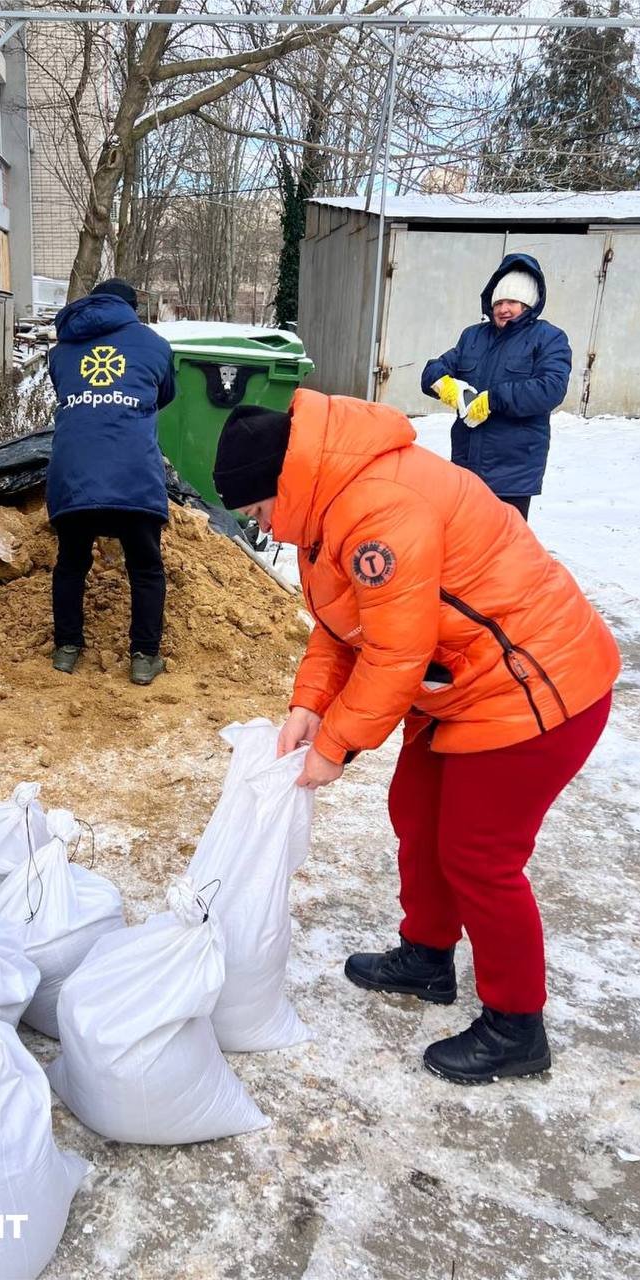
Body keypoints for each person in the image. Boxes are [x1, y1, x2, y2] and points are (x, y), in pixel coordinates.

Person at [212, 393, 619, 1084]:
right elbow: (344, 626)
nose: (267, 529)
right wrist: (309, 704)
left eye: (259, 512)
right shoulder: (324, 508)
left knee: (478, 853)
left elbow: (395, 653)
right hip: (463, 683)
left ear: (284, 482)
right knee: (416, 809)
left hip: (534, 683)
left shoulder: (377, 509)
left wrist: (333, 746)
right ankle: (426, 955)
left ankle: (515, 1025)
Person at [46, 278, 175, 686]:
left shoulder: (61, 350)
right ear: (132, 309)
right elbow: (163, 394)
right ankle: (144, 657)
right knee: (146, 567)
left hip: (73, 476)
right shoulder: (154, 345)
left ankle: (66, 648)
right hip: (133, 475)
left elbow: (66, 388)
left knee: (70, 563)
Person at [421, 253, 572, 520]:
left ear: (529, 303)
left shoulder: (548, 338)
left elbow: (552, 387)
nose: (504, 309)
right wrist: (444, 384)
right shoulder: (473, 337)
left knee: (504, 548)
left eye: (512, 302)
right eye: (499, 302)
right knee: (463, 542)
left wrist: (494, 399)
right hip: (466, 465)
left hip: (513, 471)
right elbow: (435, 369)